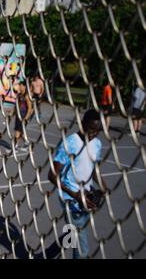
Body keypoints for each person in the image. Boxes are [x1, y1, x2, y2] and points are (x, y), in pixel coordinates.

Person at [48, 109, 108, 259]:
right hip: (71, 198)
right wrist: (74, 194)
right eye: (91, 129)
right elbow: (51, 175)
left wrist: (103, 186)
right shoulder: (70, 143)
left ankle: (48, 253)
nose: (93, 134)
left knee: (72, 233)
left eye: (97, 130)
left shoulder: (97, 144)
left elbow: (93, 168)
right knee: (82, 251)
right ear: (82, 124)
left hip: (86, 196)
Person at [14, 81, 33, 151]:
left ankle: (15, 146)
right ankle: (26, 142)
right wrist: (13, 112)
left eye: (21, 85)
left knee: (17, 131)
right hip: (18, 114)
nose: (19, 86)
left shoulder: (26, 96)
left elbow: (30, 108)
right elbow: (17, 105)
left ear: (24, 86)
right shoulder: (19, 95)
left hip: (23, 115)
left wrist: (26, 117)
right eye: (19, 85)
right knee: (20, 131)